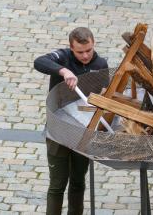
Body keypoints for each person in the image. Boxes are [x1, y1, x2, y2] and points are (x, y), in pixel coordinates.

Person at [34, 27, 108, 215]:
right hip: (58, 130)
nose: (85, 56)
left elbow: (105, 96)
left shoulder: (100, 64)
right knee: (57, 185)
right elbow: (39, 62)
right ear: (71, 48)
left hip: (83, 131)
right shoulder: (63, 57)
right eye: (80, 52)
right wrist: (63, 71)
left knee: (78, 182)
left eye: (88, 50)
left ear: (93, 44)